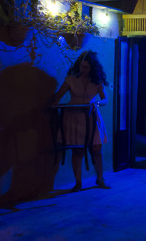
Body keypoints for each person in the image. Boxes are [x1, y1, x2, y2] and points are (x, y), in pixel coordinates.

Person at [52, 50, 110, 192]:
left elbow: (105, 99)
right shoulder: (71, 79)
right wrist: (54, 106)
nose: (83, 70)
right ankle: (78, 183)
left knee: (97, 149)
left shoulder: (97, 80)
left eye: (86, 68)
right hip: (74, 117)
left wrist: (98, 103)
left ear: (92, 68)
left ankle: (100, 178)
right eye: (81, 67)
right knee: (77, 151)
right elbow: (58, 96)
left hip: (92, 116)